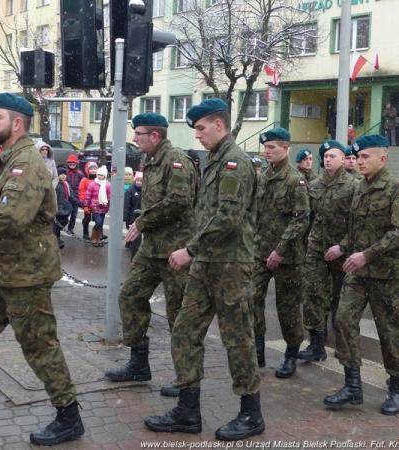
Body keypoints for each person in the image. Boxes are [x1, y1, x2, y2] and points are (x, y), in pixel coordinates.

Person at [0, 93, 84, 446]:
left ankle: (69, 416)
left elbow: (12, 216)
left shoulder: (27, 163)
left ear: (17, 123)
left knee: (40, 347)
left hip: (26, 275)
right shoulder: (9, 158)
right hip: (2, 272)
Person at [144, 99, 264, 441]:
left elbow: (228, 218)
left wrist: (189, 249)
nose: (196, 135)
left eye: (201, 128)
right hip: (205, 264)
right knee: (184, 331)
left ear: (219, 125)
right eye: (195, 129)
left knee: (237, 339)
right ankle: (187, 410)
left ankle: (251, 413)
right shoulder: (213, 162)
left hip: (230, 266)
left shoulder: (234, 163)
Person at [104, 112, 198, 398]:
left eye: (139, 133)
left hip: (175, 250)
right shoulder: (151, 160)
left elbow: (179, 201)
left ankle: (186, 381)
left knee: (177, 315)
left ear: (155, 136)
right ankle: (138, 363)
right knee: (130, 297)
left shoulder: (175, 160)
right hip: (151, 248)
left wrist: (142, 221)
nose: (135, 138)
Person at [323, 135, 399, 415]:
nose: (360, 161)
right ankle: (352, 385)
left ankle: (397, 387)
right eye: (359, 156)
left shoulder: (394, 188)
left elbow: (397, 232)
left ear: (383, 157)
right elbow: (355, 230)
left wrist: (366, 254)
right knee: (343, 319)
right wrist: (343, 246)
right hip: (358, 271)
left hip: (387, 274)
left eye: (366, 156)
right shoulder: (359, 188)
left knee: (390, 332)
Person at [252, 127, 310, 378]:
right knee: (251, 298)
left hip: (288, 257)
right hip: (260, 252)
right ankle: (257, 350)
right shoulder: (264, 175)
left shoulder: (294, 179)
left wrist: (280, 249)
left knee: (287, 308)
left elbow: (301, 219)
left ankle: (290, 355)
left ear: (286, 148)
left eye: (272, 148)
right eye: (265, 148)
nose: (267, 152)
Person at [297, 140, 359, 363]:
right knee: (312, 295)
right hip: (316, 249)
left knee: (341, 300)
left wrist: (342, 246)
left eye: (333, 156)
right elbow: (307, 218)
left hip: (342, 251)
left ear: (343, 159)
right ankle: (316, 344)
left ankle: (343, 346)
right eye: (325, 156)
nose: (327, 159)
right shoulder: (314, 184)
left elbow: (358, 223)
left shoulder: (353, 186)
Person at [84, 165, 110, 247]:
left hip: (103, 207)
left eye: (102, 175)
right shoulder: (92, 184)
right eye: (99, 175)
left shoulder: (108, 185)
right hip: (95, 207)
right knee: (98, 222)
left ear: (105, 176)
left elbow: (109, 196)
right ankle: (94, 238)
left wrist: (108, 206)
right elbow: (88, 196)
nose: (100, 176)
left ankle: (98, 239)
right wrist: (86, 206)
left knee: (101, 224)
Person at [123, 171, 143, 259]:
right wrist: (125, 216)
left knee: (137, 232)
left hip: (141, 215)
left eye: (141, 180)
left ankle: (132, 244)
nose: (140, 182)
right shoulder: (130, 190)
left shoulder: (145, 190)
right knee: (132, 230)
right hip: (132, 215)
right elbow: (126, 204)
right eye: (138, 180)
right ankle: (129, 243)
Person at [53, 166, 73, 249]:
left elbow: (71, 195)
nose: (63, 176)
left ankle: (56, 237)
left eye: (64, 174)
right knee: (57, 224)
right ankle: (56, 240)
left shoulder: (66, 184)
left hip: (64, 208)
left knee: (64, 221)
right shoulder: (56, 185)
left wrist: (79, 203)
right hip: (57, 208)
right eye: (61, 174)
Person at [78, 161, 98, 241]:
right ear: (87, 170)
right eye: (91, 169)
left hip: (96, 204)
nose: (93, 170)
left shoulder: (98, 179)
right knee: (87, 219)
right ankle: (85, 234)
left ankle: (97, 235)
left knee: (98, 220)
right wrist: (84, 204)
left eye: (95, 168)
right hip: (87, 204)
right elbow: (82, 192)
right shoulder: (84, 180)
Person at [65, 154, 84, 236]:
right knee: (65, 213)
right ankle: (61, 226)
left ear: (76, 164)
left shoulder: (80, 174)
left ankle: (70, 228)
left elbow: (82, 186)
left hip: (76, 197)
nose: (72, 165)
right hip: (67, 197)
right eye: (70, 163)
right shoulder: (65, 173)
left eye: (73, 163)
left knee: (74, 214)